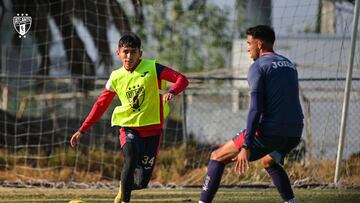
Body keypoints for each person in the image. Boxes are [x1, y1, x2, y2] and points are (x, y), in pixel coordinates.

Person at [70, 33, 189, 203]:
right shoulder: (115, 77)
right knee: (130, 158)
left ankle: (123, 187)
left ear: (140, 53)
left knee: (141, 182)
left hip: (153, 130)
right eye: (125, 52)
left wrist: (172, 91)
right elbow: (100, 105)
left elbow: (182, 79)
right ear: (118, 53)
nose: (129, 56)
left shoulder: (153, 68)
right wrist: (82, 129)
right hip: (128, 127)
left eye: (133, 52)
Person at [198, 25, 304, 203]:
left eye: (249, 43)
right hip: (294, 132)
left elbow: (255, 109)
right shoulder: (289, 65)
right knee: (268, 161)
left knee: (217, 156)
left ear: (260, 44)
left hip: (270, 132)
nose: (248, 48)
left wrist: (246, 146)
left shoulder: (258, 66)